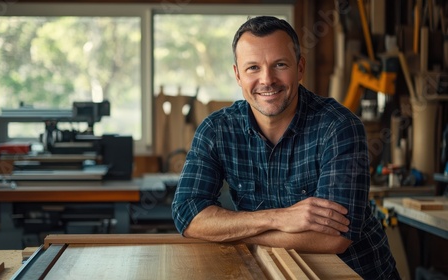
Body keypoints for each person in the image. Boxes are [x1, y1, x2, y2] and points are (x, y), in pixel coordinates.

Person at [171, 16, 399, 279]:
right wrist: (279, 218)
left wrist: (231, 229)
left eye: (279, 65)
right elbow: (187, 215)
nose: (267, 80)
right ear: (237, 75)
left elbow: (335, 238)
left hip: (357, 273)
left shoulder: (339, 127)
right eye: (253, 68)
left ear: (300, 68)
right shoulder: (216, 130)